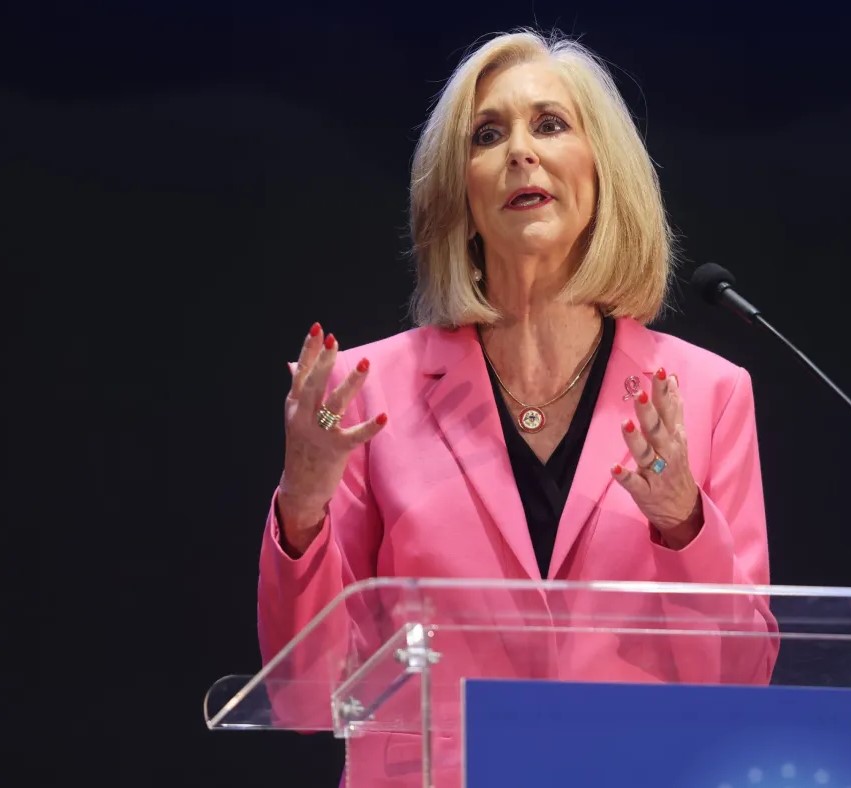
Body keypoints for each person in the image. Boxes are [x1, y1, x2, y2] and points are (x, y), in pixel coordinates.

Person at [255, 27, 775, 788]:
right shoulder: (369, 394)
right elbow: (306, 691)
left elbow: (741, 677)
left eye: (550, 125)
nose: (520, 152)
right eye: (488, 135)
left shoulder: (707, 393)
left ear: (602, 171)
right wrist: (302, 502)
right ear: (459, 195)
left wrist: (681, 522)